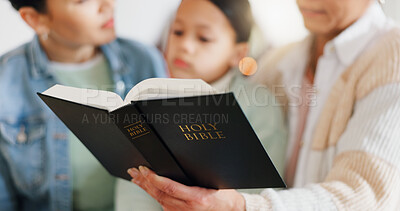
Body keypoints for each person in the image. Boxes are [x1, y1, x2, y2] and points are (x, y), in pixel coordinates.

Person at [126, 0, 400, 210]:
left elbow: (364, 193)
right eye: (178, 32)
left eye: (204, 38)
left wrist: (241, 206)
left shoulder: (392, 56)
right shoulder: (279, 64)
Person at [115, 0, 287, 210]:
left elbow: (260, 194)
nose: (185, 45)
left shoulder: (259, 106)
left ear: (239, 53)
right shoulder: (146, 97)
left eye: (204, 38)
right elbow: (133, 184)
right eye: (177, 31)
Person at [0, 0, 167, 210]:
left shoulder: (144, 59)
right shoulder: (5, 82)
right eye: (83, 1)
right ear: (35, 18)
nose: (108, 5)